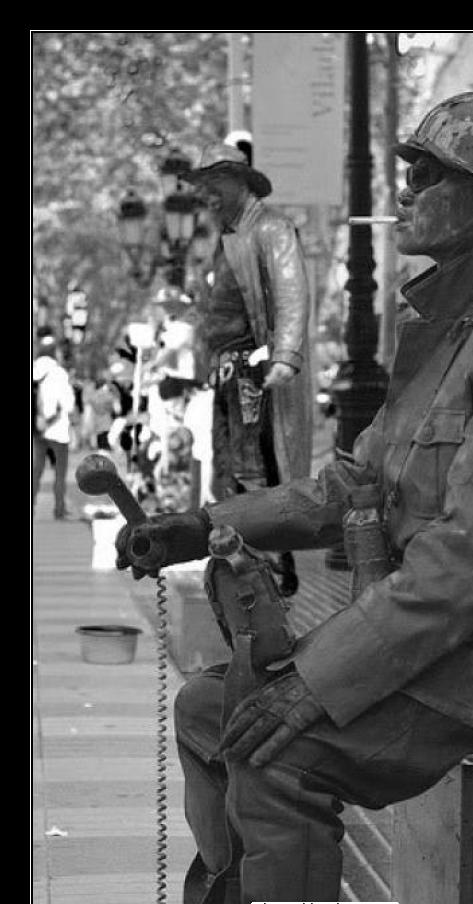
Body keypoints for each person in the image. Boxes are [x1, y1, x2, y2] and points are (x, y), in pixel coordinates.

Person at [115, 92, 473, 904]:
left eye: (428, 175)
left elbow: (468, 566)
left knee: (276, 755)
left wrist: (316, 680)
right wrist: (196, 527)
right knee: (207, 708)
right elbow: (346, 484)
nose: (405, 191)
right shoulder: (451, 328)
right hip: (434, 648)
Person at [182, 142, 312, 595]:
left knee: (253, 468)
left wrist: (285, 357)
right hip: (228, 374)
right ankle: (242, 562)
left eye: (215, 183)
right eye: (204, 187)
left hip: (251, 373)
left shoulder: (271, 229)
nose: (208, 195)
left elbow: (292, 292)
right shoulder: (226, 237)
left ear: (240, 182)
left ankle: (270, 568)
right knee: (229, 468)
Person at [33, 335, 76, 519]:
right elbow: (69, 404)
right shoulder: (59, 373)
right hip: (57, 429)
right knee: (59, 472)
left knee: (36, 470)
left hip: (38, 427)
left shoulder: (34, 370)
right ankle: (59, 509)